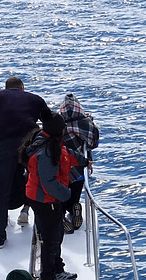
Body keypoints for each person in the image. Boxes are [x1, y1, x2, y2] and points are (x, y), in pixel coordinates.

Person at [0, 76, 53, 248]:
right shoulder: (35, 99)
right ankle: (40, 231)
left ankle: (0, 236)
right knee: (36, 186)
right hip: (30, 147)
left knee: (1, 191)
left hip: (5, 147)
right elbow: (50, 124)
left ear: (5, 88)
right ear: (22, 88)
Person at [21, 114, 83, 280]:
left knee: (57, 234)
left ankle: (57, 269)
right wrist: (67, 195)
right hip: (46, 200)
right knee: (50, 239)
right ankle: (47, 279)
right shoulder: (47, 152)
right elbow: (49, 181)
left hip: (44, 198)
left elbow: (67, 156)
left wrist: (83, 161)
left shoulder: (49, 143)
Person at [57, 93, 99, 233]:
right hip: (79, 165)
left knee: (61, 193)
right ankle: (75, 206)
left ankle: (62, 216)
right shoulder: (85, 122)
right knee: (75, 192)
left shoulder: (57, 121)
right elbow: (93, 142)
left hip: (61, 166)